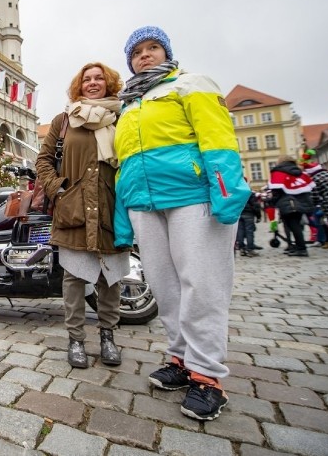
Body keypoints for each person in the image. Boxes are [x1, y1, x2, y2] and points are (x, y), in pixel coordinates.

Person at [113, 26, 249, 421]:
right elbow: (124, 166)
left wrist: (226, 190)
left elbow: (218, 138)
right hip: (144, 203)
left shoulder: (190, 84)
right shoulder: (130, 105)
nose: (145, 55)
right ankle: (180, 357)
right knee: (165, 284)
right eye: (137, 51)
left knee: (202, 283)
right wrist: (124, 215)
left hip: (193, 196)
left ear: (167, 51)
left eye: (153, 47)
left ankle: (207, 376)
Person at [36, 62, 130, 369]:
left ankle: (108, 336)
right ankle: (75, 339)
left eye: (98, 78)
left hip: (112, 207)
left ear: (108, 83)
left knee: (111, 278)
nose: (92, 83)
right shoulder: (64, 120)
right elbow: (44, 161)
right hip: (74, 207)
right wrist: (58, 191)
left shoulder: (122, 118)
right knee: (74, 278)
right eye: (87, 79)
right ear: (79, 85)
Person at [267, 155, 315, 257]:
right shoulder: (300, 172)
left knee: (294, 227)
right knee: (296, 226)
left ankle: (301, 249)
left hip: (287, 203)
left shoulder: (279, 172)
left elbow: (276, 191)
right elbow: (310, 188)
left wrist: (271, 202)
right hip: (300, 203)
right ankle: (297, 247)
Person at [236, 188, 262, 257]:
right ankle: (250, 249)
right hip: (248, 214)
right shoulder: (249, 192)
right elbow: (255, 205)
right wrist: (258, 216)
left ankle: (242, 249)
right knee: (249, 232)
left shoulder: (235, 192)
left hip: (239, 214)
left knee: (240, 231)